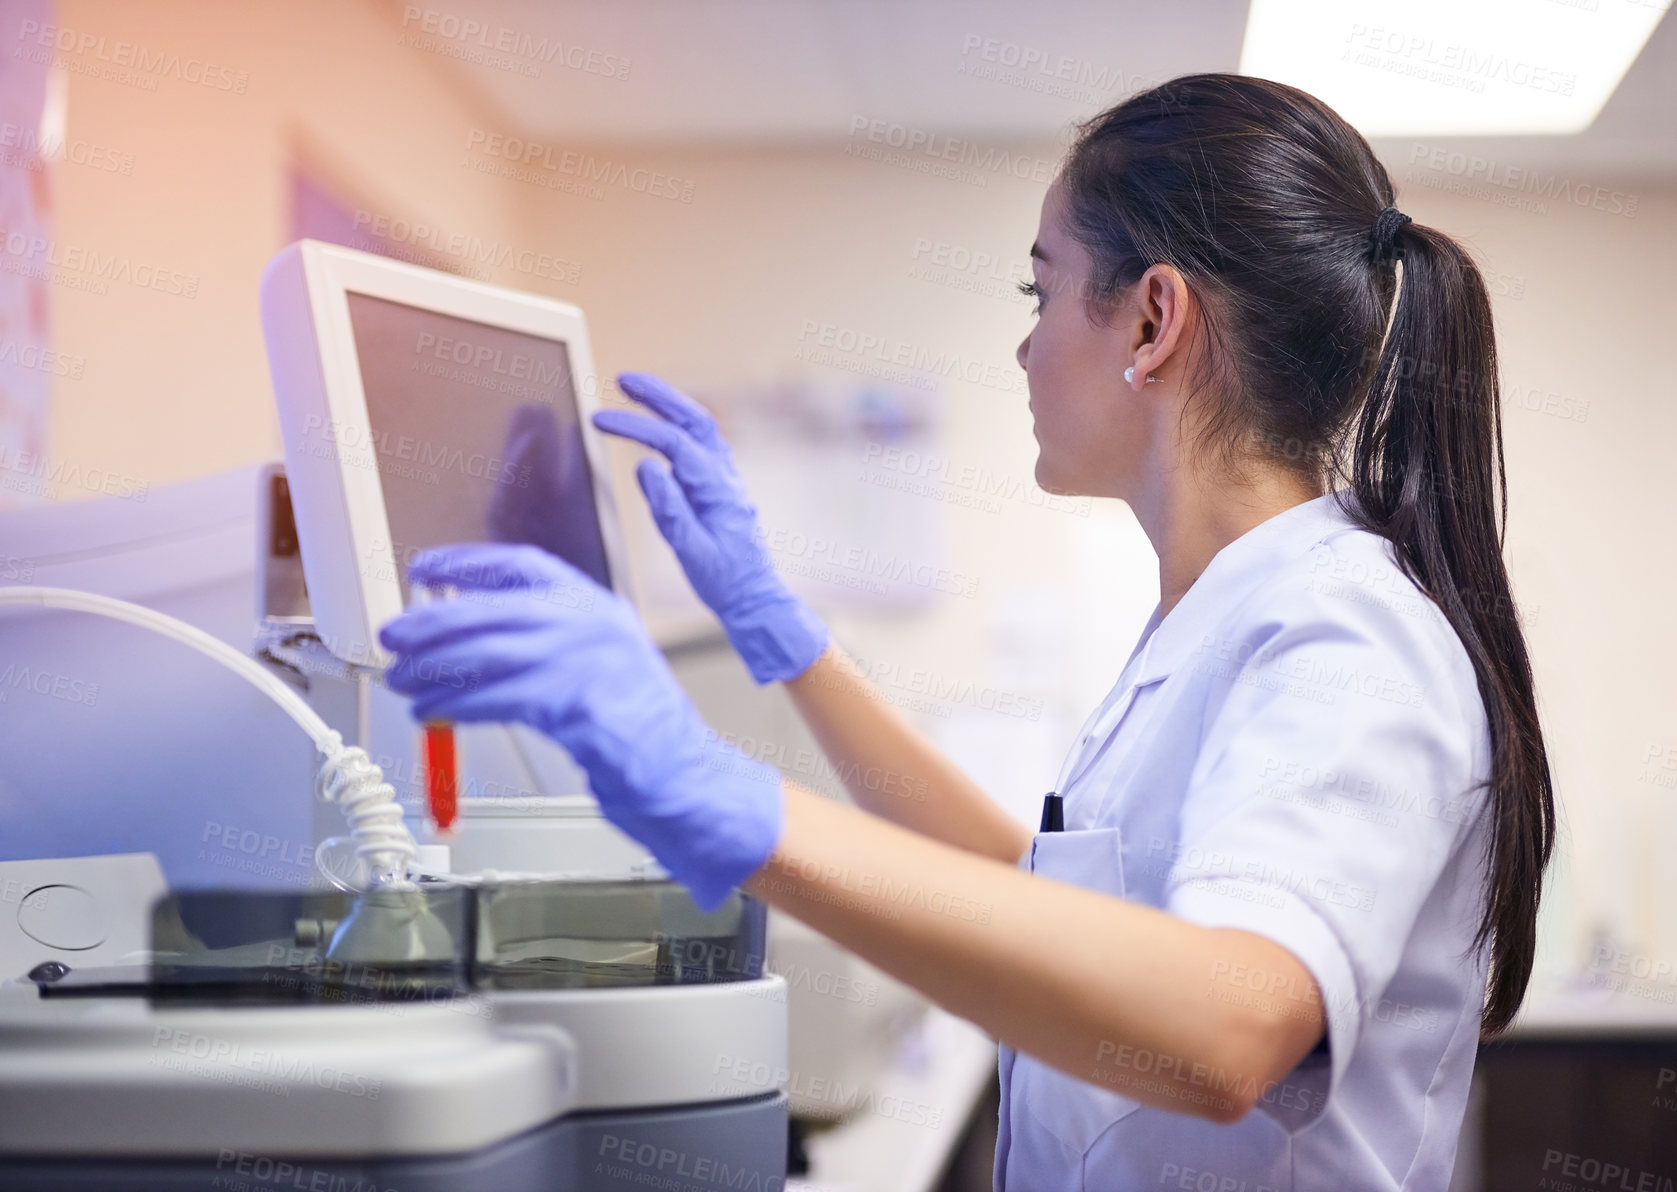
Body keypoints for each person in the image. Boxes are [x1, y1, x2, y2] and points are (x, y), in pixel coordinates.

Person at [378, 73, 1555, 1189]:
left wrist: (727, 800)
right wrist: (782, 634)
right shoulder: (1212, 620)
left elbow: (1230, 1024)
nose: (1027, 344)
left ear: (1152, 319)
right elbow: (1025, 894)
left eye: (1041, 293)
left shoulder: (1346, 637)